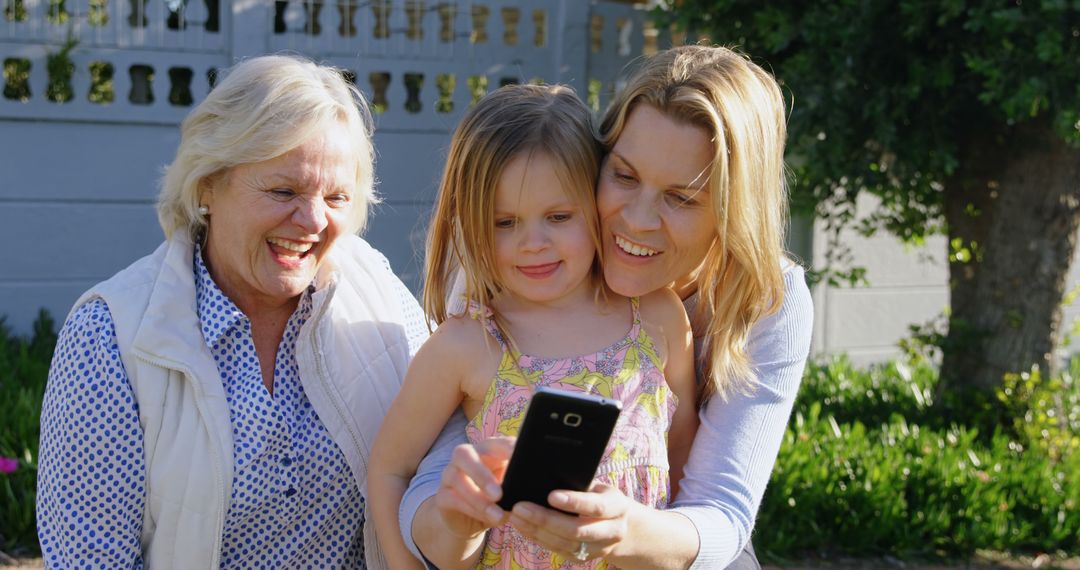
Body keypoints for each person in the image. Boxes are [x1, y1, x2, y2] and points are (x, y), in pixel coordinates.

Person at [35, 54, 458, 568]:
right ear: (207, 183)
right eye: (284, 190)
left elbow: (435, 473)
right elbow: (91, 558)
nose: (313, 220)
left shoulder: (381, 297)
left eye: (337, 197)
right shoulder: (110, 337)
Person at [408, 45, 814, 569]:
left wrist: (628, 531)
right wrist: (445, 523)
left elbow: (722, 512)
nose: (638, 220)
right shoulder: (526, 264)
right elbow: (437, 461)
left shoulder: (769, 298)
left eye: (681, 198)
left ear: (734, 209)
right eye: (623, 175)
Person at [369, 83, 699, 569]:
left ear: (594, 202)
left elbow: (685, 449)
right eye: (505, 223)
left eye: (559, 216)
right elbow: (389, 468)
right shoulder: (468, 343)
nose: (533, 243)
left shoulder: (656, 315)